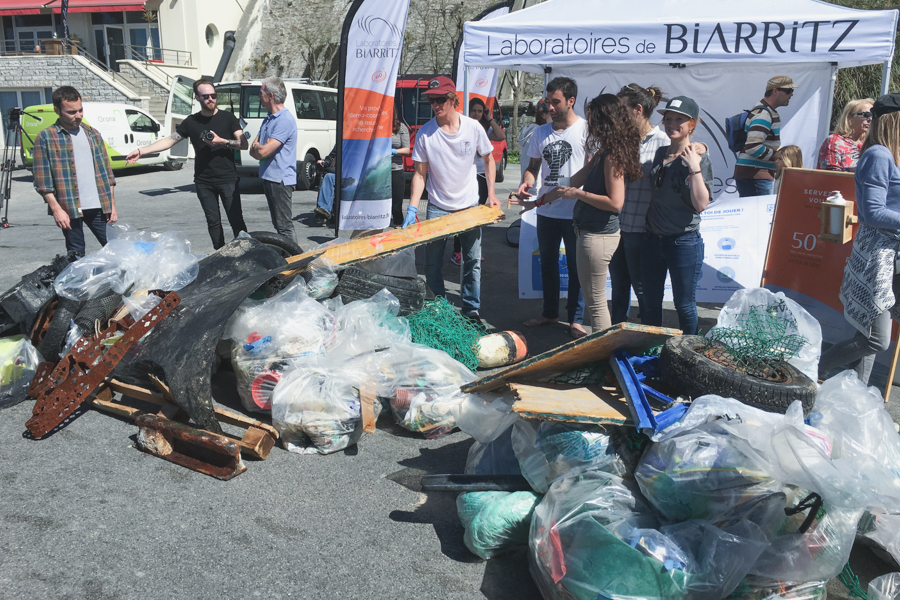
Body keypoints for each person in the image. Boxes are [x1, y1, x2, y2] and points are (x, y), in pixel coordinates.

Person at [539, 93, 642, 333]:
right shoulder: (604, 152)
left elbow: (616, 202)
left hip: (598, 237)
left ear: (605, 121)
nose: (590, 125)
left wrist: (579, 194)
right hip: (589, 233)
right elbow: (570, 181)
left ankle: (602, 356)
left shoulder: (613, 156)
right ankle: (601, 353)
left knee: (596, 303)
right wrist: (539, 200)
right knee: (594, 299)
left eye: (593, 119)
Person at [818, 94, 900, 385]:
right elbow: (872, 212)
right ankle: (814, 371)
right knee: (876, 339)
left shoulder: (889, 154)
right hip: (878, 255)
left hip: (892, 255)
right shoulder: (878, 155)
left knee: (867, 332)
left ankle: (857, 395)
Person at [403, 76, 499, 321]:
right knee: (432, 263)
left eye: (441, 99)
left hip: (469, 206)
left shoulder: (473, 127)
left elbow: (488, 159)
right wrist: (412, 208)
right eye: (432, 100)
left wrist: (491, 194)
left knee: (472, 261)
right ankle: (439, 307)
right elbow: (420, 174)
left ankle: (471, 309)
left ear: (453, 100)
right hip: (437, 206)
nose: (436, 104)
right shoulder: (425, 133)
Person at [126, 78, 248, 249]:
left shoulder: (228, 118)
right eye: (205, 96)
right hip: (204, 181)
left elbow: (243, 144)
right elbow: (169, 141)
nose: (211, 99)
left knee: (236, 219)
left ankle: (247, 252)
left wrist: (222, 142)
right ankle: (220, 254)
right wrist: (141, 151)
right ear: (197, 98)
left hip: (228, 179)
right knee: (213, 222)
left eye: (213, 95)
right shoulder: (191, 122)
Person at [511, 77, 587, 338]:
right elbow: (534, 168)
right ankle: (550, 313)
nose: (550, 107)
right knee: (548, 265)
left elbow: (592, 172)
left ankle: (576, 319)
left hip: (576, 212)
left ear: (571, 101)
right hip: (545, 211)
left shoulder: (586, 131)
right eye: (548, 102)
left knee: (577, 268)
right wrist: (526, 182)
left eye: (556, 102)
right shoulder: (541, 132)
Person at [642, 96, 714, 335]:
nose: (672, 123)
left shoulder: (699, 158)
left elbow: (701, 204)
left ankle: (690, 354)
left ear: (692, 124)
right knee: (650, 303)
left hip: (683, 242)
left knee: (684, 305)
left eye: (679, 120)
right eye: (668, 119)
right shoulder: (661, 152)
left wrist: (694, 166)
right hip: (652, 240)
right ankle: (649, 351)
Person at [33, 86, 118, 259]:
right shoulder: (46, 137)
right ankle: (78, 285)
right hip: (68, 207)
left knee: (116, 247)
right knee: (76, 253)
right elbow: (43, 182)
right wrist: (56, 209)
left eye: (80, 110)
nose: (78, 115)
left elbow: (107, 173)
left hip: (99, 205)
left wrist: (112, 205)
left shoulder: (92, 134)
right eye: (71, 112)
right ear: (57, 110)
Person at [609, 83, 669, 325]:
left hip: (642, 230)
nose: (616, 115)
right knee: (618, 287)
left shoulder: (663, 142)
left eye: (621, 109)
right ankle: (616, 338)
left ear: (637, 109)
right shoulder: (622, 141)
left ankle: (649, 340)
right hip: (617, 226)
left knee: (643, 290)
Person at [451, 97, 505, 264]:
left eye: (480, 111)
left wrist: (489, 118)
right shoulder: (462, 127)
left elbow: (501, 135)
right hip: (466, 175)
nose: (476, 114)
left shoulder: (484, 128)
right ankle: (457, 251)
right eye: (474, 110)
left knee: (477, 215)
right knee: (462, 214)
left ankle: (473, 249)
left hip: (482, 176)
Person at [250, 76, 298, 241]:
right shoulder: (269, 118)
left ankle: (296, 261)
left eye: (260, 92)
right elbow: (254, 148)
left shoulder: (284, 120)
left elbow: (262, 152)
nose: (258, 96)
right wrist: (259, 147)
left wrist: (259, 147)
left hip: (280, 180)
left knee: (284, 226)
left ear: (270, 95)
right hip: (270, 178)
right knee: (279, 225)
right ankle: (289, 258)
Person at [734, 75, 797, 197]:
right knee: (758, 215)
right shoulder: (764, 114)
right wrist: (778, 156)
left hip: (754, 174)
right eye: (788, 91)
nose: (791, 95)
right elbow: (752, 147)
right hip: (756, 176)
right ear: (774, 91)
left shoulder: (765, 110)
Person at [817, 98, 874, 172]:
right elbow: (829, 173)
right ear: (849, 117)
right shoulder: (834, 141)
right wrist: (857, 171)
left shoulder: (866, 143)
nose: (870, 119)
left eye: (872, 115)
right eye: (866, 114)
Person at [517, 98, 549, 185]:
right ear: (543, 114)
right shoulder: (538, 134)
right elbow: (534, 167)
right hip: (535, 189)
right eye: (551, 112)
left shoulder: (533, 131)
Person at [392, 107, 411, 226]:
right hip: (378, 171)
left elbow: (407, 150)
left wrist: (393, 151)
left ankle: (399, 227)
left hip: (395, 170)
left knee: (396, 205)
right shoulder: (376, 126)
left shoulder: (400, 127)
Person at [314, 145, 337, 223]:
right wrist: (325, 162)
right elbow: (331, 156)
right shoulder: (342, 141)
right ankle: (324, 209)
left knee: (330, 176)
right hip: (339, 173)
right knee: (328, 177)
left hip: (354, 173)